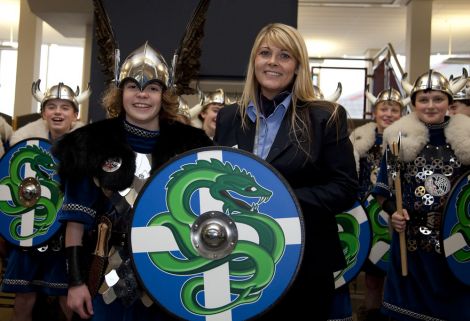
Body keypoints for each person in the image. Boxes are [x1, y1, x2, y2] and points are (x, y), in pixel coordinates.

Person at [52, 42, 213, 320]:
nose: (142, 95)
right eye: (133, 87)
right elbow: (76, 223)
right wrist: (77, 282)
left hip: (168, 275)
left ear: (164, 95)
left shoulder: (190, 146)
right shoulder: (90, 144)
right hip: (105, 279)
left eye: (152, 88)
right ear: (120, 92)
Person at [214, 23, 358, 320]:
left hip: (305, 258)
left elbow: (345, 188)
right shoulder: (229, 117)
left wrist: (283, 200)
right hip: (240, 256)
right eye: (265, 53)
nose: (273, 62)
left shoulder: (325, 117)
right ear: (254, 61)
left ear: (297, 66)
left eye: (284, 56)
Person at [372, 69, 470, 321]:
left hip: (454, 247)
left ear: (449, 102)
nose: (430, 106)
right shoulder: (398, 140)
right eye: (423, 100)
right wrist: (394, 211)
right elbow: (384, 188)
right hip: (411, 249)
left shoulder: (467, 140)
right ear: (414, 103)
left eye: (438, 99)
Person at [2, 81, 90, 321]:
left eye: (65, 107)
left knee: (67, 302)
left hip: (65, 237)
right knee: (23, 300)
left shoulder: (86, 148)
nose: (58, 112)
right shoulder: (23, 145)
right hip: (28, 233)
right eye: (51, 106)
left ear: (75, 114)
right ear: (43, 113)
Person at [349, 88, 405, 321]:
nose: (389, 114)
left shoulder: (405, 142)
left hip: (393, 215)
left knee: (393, 273)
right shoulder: (359, 141)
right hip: (366, 215)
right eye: (384, 108)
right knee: (372, 275)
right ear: (375, 112)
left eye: (394, 109)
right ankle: (369, 315)